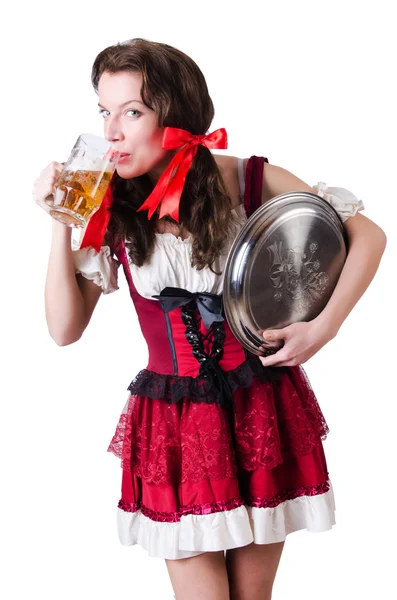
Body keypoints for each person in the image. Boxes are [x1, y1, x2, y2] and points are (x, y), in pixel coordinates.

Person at [33, 38, 387, 600]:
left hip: (261, 406)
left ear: (176, 114)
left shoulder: (248, 177)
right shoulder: (112, 206)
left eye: (132, 111)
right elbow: (63, 328)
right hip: (176, 426)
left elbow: (365, 235)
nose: (113, 132)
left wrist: (324, 328)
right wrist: (58, 222)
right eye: (105, 111)